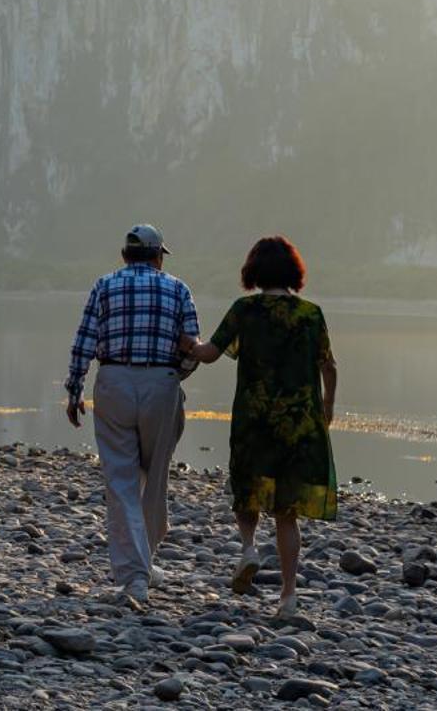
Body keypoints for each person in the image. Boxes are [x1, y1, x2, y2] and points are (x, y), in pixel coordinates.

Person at [181, 235, 338, 619]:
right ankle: (287, 596)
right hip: (299, 423)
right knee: (287, 512)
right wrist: (327, 407)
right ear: (293, 272)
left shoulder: (244, 310)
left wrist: (183, 342)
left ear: (253, 271)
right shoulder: (310, 314)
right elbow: (329, 366)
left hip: (255, 419)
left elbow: (209, 354)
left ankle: (249, 548)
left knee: (247, 489)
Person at [65, 224, 200, 606]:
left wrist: (74, 389)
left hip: (113, 381)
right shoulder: (178, 288)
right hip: (162, 382)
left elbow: (84, 342)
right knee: (155, 477)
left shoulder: (104, 286)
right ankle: (145, 564)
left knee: (121, 481)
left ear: (125, 256)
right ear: (158, 257)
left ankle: (136, 575)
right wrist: (175, 375)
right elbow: (192, 344)